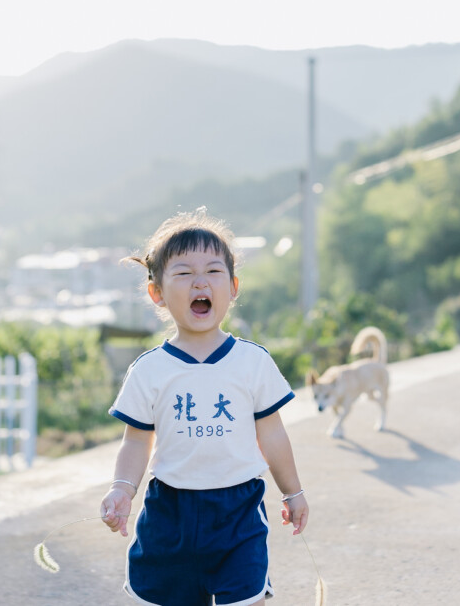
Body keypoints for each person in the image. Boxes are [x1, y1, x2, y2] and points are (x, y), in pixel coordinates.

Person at [99, 209, 308, 606]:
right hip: (169, 514)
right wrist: (122, 488)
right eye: (183, 273)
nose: (200, 281)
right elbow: (136, 442)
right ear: (156, 292)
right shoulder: (149, 369)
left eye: (213, 271)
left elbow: (273, 434)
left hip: (238, 513)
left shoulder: (253, 362)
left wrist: (292, 492)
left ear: (232, 288)